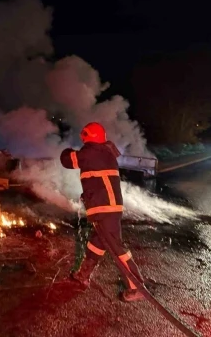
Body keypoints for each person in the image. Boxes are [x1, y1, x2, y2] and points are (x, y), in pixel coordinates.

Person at [60, 122, 145, 302]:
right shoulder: (104, 152)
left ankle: (136, 287)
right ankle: (83, 274)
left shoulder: (92, 152)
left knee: (116, 248)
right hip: (106, 207)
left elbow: (67, 160)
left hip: (105, 208)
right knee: (97, 243)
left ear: (88, 136)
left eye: (84, 135)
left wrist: (65, 149)